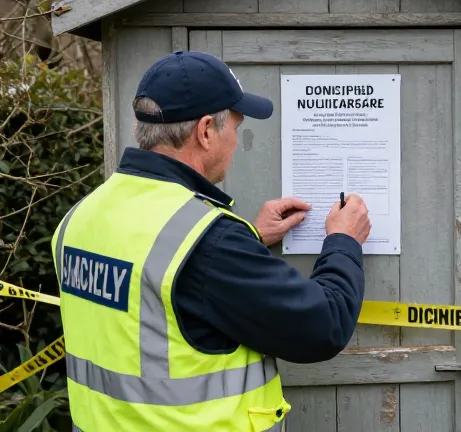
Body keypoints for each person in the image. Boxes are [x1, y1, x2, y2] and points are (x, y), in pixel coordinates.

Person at [49, 51, 371, 431]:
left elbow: (160, 298)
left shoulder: (79, 218)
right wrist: (343, 240)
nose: (236, 141)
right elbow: (324, 326)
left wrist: (249, 239)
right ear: (205, 131)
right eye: (235, 127)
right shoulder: (209, 242)